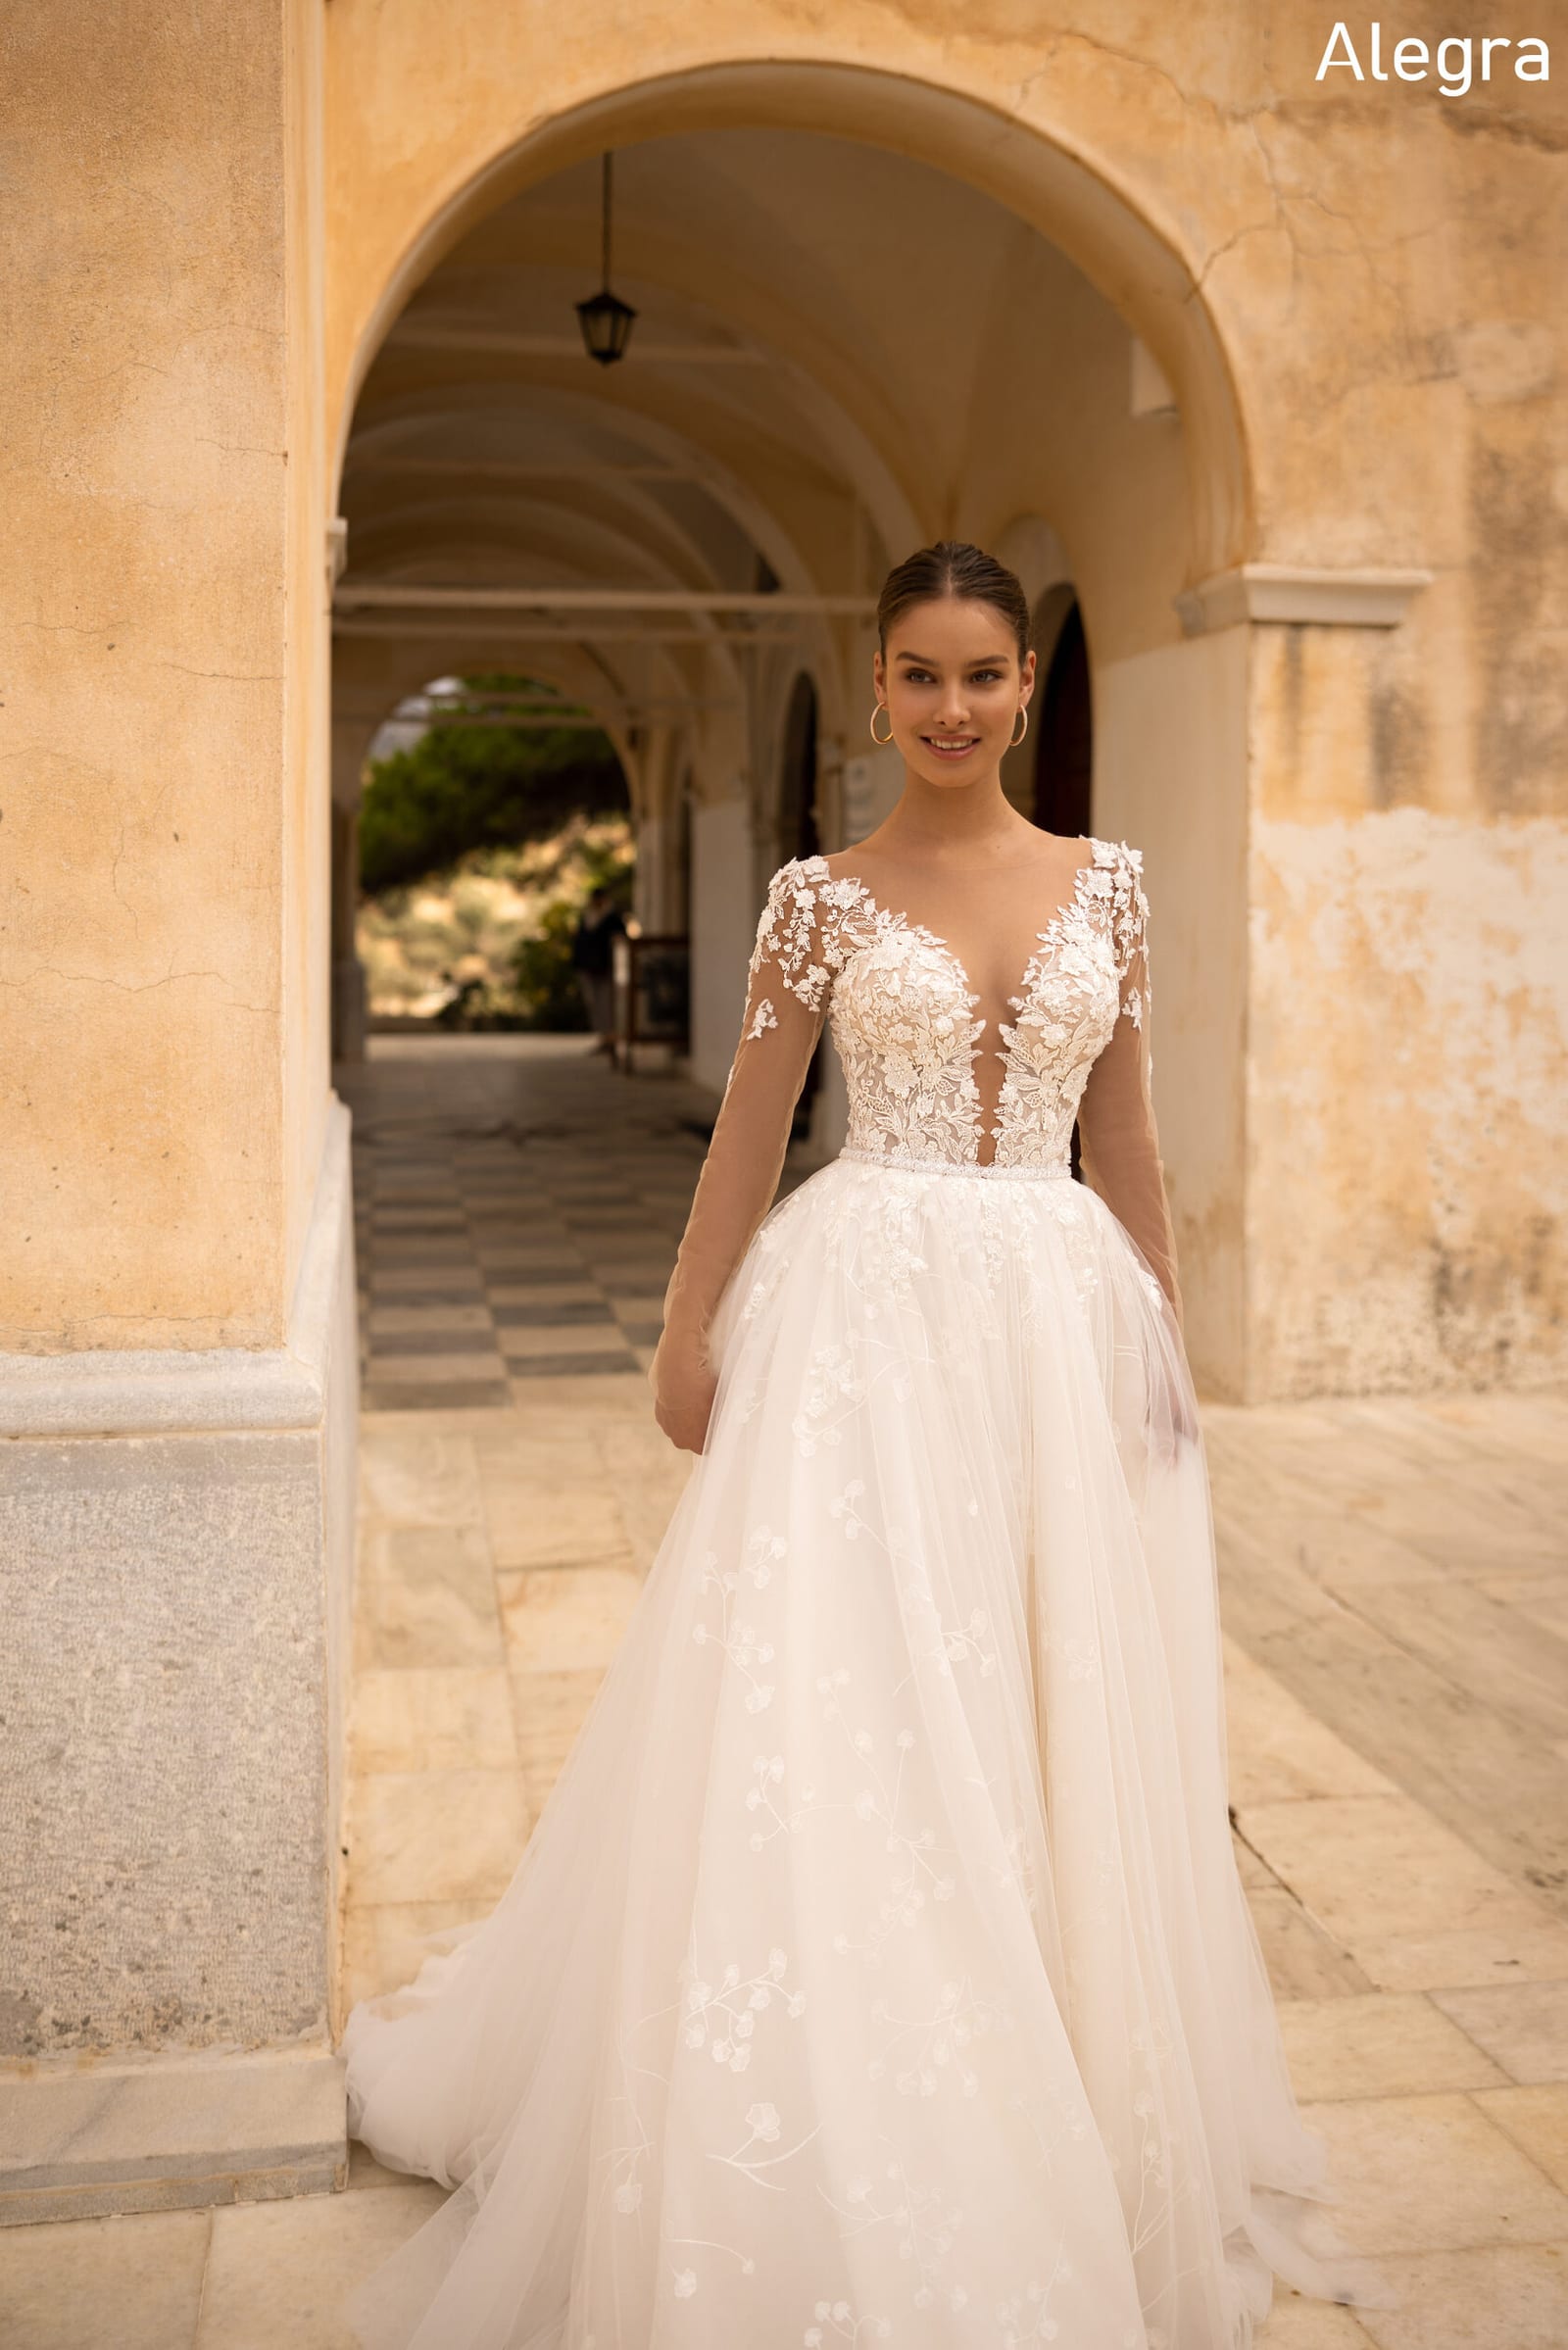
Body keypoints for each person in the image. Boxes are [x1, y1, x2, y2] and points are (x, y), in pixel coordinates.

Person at [342, 543, 1363, 2348]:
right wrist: (683, 1322)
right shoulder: (817, 897)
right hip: (861, 1320)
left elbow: (1126, 1136)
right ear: (875, 684)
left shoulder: (1109, 888)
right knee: (865, 1690)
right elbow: (749, 1128)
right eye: (917, 674)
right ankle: (869, 2074)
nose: (952, 707)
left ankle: (1054, 2060)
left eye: (983, 673)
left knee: (1040, 1692)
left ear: (1029, 683)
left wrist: (1162, 1337)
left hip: (1051, 1321)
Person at [570, 884, 625, 1053]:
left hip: (605, 967)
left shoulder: (612, 919)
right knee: (594, 1003)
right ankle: (603, 1038)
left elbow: (620, 939)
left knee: (606, 1003)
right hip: (588, 968)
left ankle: (611, 1038)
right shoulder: (587, 917)